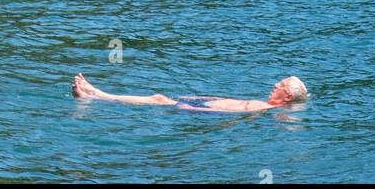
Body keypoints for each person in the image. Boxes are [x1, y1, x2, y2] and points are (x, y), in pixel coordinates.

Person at [71, 73, 308, 113]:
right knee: (158, 98)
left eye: (280, 86)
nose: (275, 85)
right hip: (198, 107)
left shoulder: (263, 107)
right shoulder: (263, 105)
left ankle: (96, 95)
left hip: (197, 112)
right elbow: (230, 103)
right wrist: (198, 99)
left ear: (286, 97)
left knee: (157, 98)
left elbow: (230, 113)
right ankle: (95, 94)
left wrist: (191, 108)